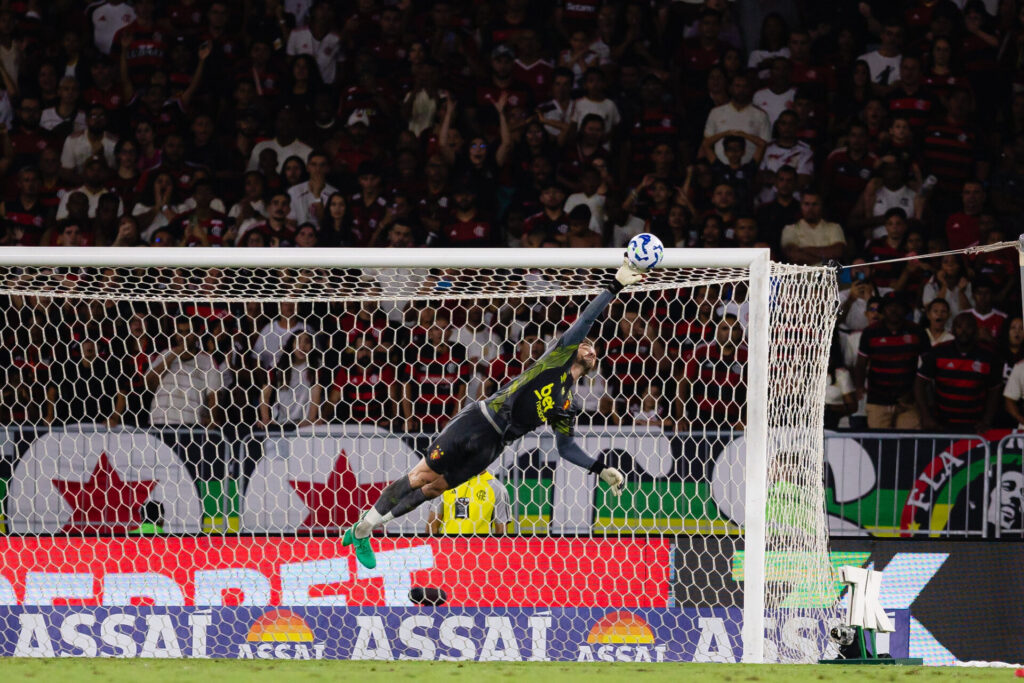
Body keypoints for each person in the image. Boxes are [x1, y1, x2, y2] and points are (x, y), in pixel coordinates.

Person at [342, 262, 642, 568]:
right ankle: (364, 528)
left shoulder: (569, 404)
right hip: (479, 419)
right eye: (586, 345)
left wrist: (601, 468)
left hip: (493, 446)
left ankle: (364, 529)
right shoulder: (557, 358)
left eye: (594, 350)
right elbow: (587, 319)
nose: (590, 349)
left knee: (434, 489)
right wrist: (614, 286)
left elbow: (566, 448)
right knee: (420, 476)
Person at [916, 313, 1001, 433]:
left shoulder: (988, 355)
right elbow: (919, 384)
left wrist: (987, 421)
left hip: (975, 426)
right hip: (942, 424)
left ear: (975, 330)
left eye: (968, 327)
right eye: (959, 326)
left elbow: (995, 391)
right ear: (952, 330)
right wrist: (926, 416)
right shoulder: (938, 352)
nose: (964, 331)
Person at [426, 471, 512, 535]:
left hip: (481, 554)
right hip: (448, 552)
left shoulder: (497, 488)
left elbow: (501, 533)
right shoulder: (446, 483)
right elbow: (432, 526)